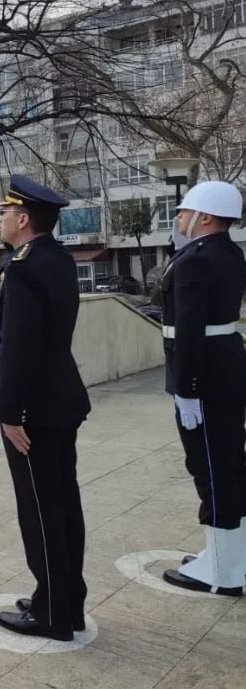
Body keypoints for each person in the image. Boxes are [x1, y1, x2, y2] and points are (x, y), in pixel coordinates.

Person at [0, 176, 91, 642]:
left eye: (6, 212)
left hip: (34, 410)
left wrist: (9, 412)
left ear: (24, 219)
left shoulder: (24, 267)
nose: (1, 219)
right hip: (59, 401)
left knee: (42, 511)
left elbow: (18, 348)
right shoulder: (57, 258)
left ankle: (52, 612)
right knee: (64, 506)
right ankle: (66, 600)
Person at [159, 181, 246, 597]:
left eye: (183, 211)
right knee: (227, 463)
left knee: (210, 467)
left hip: (204, 376)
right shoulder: (230, 253)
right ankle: (229, 553)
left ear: (205, 217)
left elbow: (190, 330)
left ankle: (225, 572)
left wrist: (186, 387)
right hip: (225, 367)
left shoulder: (196, 260)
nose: (178, 218)